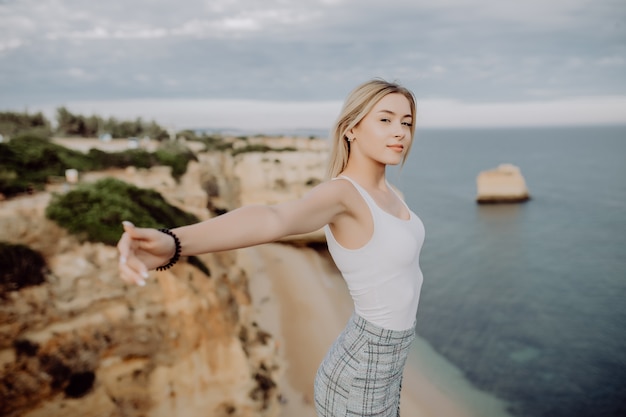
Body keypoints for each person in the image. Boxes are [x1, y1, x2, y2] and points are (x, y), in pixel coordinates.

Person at [117, 79, 425, 417]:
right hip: (360, 375)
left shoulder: (390, 195)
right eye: (385, 119)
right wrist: (174, 242)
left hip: (387, 371)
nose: (400, 132)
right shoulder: (342, 194)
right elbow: (272, 219)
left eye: (406, 122)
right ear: (351, 128)